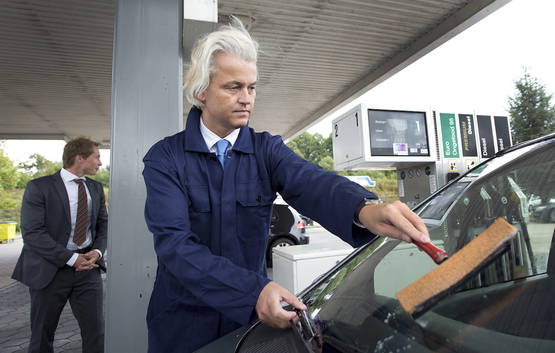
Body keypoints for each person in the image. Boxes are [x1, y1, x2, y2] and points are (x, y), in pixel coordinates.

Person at [142, 18, 430, 353]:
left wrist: (363, 208)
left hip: (246, 325)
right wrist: (254, 292)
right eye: (233, 87)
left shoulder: (266, 149)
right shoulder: (166, 158)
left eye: (252, 87)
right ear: (202, 90)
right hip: (182, 324)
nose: (246, 98)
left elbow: (311, 182)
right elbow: (175, 246)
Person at [12, 137, 108, 353]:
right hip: (49, 270)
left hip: (88, 271)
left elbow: (103, 224)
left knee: (95, 333)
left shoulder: (95, 188)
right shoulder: (38, 187)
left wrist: (97, 251)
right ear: (80, 157)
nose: (100, 163)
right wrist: (72, 259)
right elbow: (33, 233)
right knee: (42, 335)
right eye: (97, 157)